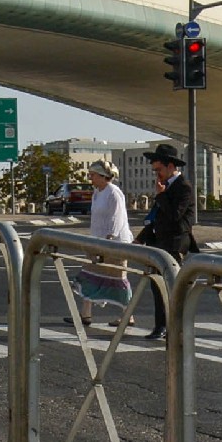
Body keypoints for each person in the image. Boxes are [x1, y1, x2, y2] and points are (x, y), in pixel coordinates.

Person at [134, 144, 197, 341]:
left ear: (170, 166)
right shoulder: (164, 186)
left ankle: (175, 327)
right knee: (157, 285)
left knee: (173, 287)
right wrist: (140, 238)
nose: (157, 174)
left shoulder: (183, 187)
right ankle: (160, 325)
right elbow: (156, 218)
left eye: (159, 170)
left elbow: (175, 216)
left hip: (175, 244)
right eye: (155, 171)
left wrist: (161, 195)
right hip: (159, 243)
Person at [75, 161, 132, 322]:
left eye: (93, 175)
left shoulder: (114, 193)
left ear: (102, 176)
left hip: (114, 243)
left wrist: (110, 237)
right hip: (97, 241)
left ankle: (128, 315)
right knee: (89, 274)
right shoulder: (97, 192)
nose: (90, 178)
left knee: (118, 278)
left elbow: (117, 217)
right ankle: (85, 313)